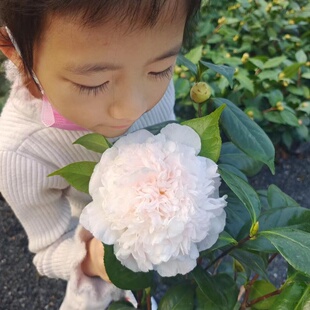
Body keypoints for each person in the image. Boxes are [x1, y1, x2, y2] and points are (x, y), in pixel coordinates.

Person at [0, 0, 201, 308]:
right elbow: (48, 251)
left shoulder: (143, 88)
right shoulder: (21, 153)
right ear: (14, 52)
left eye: (160, 69)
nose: (133, 108)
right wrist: (94, 259)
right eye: (93, 83)